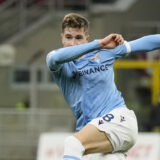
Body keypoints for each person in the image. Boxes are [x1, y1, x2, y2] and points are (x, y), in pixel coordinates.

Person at [46, 13, 160, 160]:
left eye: (78, 38)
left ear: (86, 38)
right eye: (68, 37)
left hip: (119, 120)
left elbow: (144, 43)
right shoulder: (57, 60)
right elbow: (55, 58)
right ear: (62, 37)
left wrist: (99, 47)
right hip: (96, 132)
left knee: (73, 143)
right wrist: (97, 44)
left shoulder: (104, 52)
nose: (73, 42)